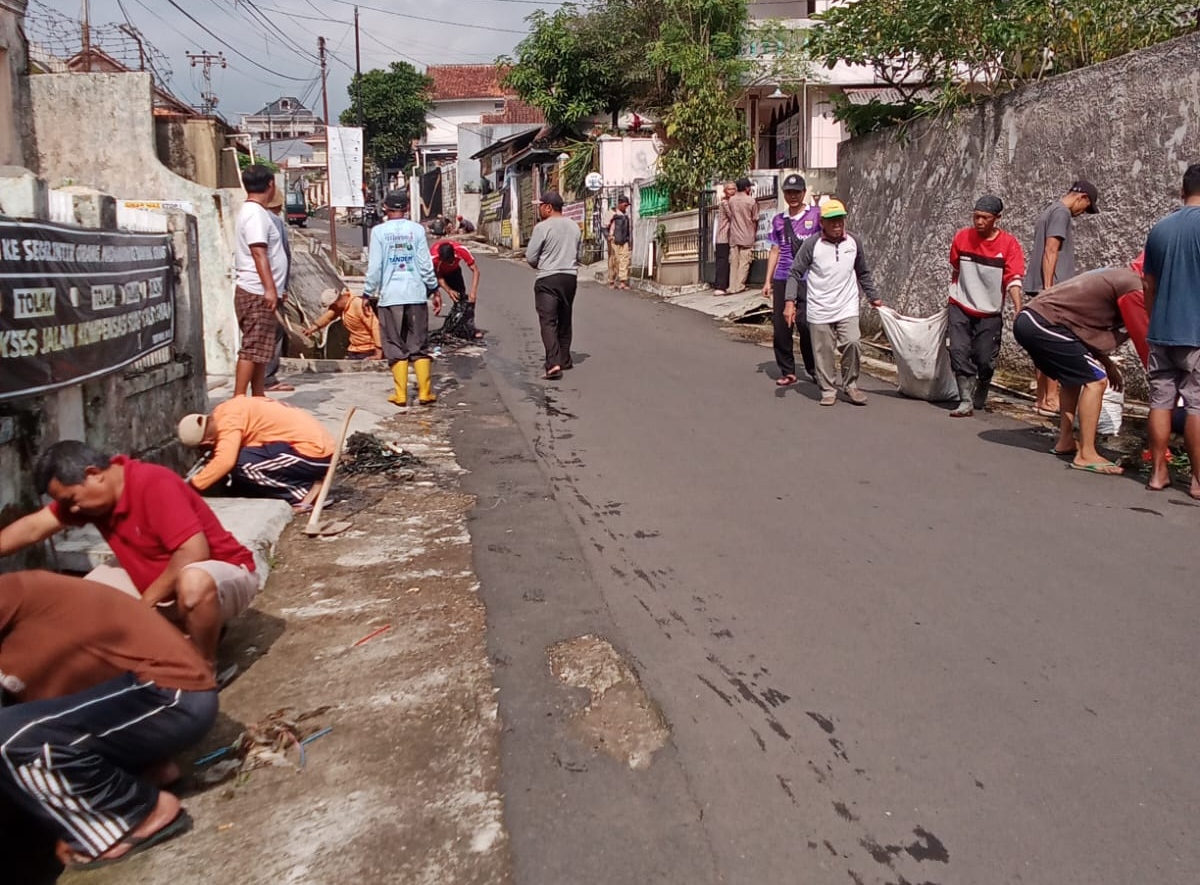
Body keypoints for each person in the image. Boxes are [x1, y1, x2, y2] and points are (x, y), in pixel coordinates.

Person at [0, 570, 217, 870]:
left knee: (6, 735)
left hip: (168, 696)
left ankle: (140, 815)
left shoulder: (9, 592)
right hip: (154, 704)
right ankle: (145, 779)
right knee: (23, 720)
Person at [0, 441, 258, 671]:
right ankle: (179, 635)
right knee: (79, 603)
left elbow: (193, 553)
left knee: (194, 582)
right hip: (162, 584)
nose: (73, 509)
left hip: (225, 574)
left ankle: (203, 671)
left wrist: (142, 606)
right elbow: (32, 528)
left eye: (72, 500)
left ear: (93, 474)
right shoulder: (87, 500)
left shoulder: (153, 482)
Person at [1013, 268, 1141, 475]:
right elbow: (1141, 338)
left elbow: (1082, 337)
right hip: (1041, 321)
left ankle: (1065, 441)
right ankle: (1086, 454)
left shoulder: (1118, 282)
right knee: (1096, 381)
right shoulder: (1134, 287)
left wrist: (1108, 364)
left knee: (1072, 378)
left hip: (1035, 321)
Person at [784, 200, 883, 406]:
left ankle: (851, 385)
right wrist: (789, 302)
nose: (837, 225)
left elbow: (862, 271)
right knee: (823, 350)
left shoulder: (854, 242)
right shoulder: (812, 244)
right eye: (832, 221)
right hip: (819, 306)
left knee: (853, 342)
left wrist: (873, 297)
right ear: (822, 223)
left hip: (846, 305)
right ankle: (828, 389)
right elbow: (794, 272)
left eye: (840, 220)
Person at [1143, 162, 1200, 499]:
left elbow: (1147, 284)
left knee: (1160, 402)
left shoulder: (1160, 229)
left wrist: (1154, 319)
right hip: (1196, 333)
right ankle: (1197, 480)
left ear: (1182, 191)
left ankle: (1158, 473)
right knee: (1196, 406)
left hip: (1162, 330)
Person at [178, 397, 336, 512]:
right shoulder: (224, 411)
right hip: (313, 448)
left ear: (207, 442)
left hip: (315, 454)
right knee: (242, 460)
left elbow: (225, 462)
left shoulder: (228, 425)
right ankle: (299, 481)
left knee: (242, 463)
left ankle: (303, 493)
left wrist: (190, 488)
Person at [946, 195, 1026, 417]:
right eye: (976, 216)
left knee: (984, 357)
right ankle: (965, 399)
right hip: (960, 304)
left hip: (989, 311)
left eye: (985, 218)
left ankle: (983, 382)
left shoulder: (1009, 245)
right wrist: (955, 292)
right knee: (958, 351)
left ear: (997, 219)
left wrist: (1019, 307)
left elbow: (1013, 279)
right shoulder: (962, 238)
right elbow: (955, 266)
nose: (979, 222)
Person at [1026, 180, 1099, 416]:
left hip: (1042, 288)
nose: (1081, 214)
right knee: (1055, 344)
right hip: (1052, 290)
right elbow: (1051, 249)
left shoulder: (1050, 209)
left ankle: (1041, 400)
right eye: (1085, 208)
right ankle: (1050, 398)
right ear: (1082, 198)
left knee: (1041, 346)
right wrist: (1050, 289)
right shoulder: (1061, 213)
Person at [364, 190, 441, 408]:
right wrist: (434, 288)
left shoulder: (378, 232)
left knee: (394, 343)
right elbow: (426, 264)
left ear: (386, 209)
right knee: (419, 343)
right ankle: (425, 392)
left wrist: (368, 292)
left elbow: (375, 267)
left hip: (391, 297)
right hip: (416, 294)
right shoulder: (417, 230)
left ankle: (401, 395)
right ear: (407, 208)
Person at [233, 164, 288, 397]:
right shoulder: (255, 215)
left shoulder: (256, 213)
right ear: (270, 185)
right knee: (252, 347)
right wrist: (269, 289)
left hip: (259, 289)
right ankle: (239, 398)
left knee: (261, 350)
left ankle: (258, 395)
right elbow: (259, 252)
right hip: (256, 290)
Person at [762, 173, 821, 386]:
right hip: (783, 277)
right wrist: (768, 280)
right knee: (781, 327)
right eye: (789, 192)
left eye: (797, 192)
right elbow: (775, 250)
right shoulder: (779, 220)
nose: (793, 196)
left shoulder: (815, 216)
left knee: (805, 324)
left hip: (807, 278)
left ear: (804, 193)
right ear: (784, 195)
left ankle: (814, 369)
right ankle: (787, 370)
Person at [525, 190, 582, 380]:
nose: (539, 209)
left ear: (548, 207)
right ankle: (565, 359)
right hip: (569, 277)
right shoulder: (575, 227)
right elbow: (577, 254)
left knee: (548, 321)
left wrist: (541, 263)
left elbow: (531, 257)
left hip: (548, 278)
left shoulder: (542, 227)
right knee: (565, 319)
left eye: (541, 206)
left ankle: (553, 363)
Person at [262, 188, 295, 393]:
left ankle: (261, 378)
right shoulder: (274, 222)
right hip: (272, 286)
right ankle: (267, 378)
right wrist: (281, 287)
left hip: (265, 286)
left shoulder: (257, 218)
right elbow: (284, 253)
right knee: (273, 334)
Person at [302, 287, 383, 360]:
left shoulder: (358, 305)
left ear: (337, 302)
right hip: (354, 349)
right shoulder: (341, 308)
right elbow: (328, 317)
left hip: (368, 350)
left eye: (331, 306)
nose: (331, 309)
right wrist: (311, 329)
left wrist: (378, 352)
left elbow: (375, 326)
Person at [431, 239, 484, 341]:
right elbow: (437, 276)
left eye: (451, 261)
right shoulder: (433, 257)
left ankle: (468, 326)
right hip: (439, 274)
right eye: (447, 262)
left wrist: (473, 293)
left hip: (454, 272)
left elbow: (475, 271)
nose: (449, 263)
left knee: (462, 300)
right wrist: (448, 290)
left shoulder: (461, 250)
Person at [726, 178, 758, 295]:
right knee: (744, 262)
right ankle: (739, 285)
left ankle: (732, 286)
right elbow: (755, 219)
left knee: (734, 262)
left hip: (734, 235)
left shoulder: (731, 201)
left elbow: (731, 216)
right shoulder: (751, 201)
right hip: (747, 235)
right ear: (747, 188)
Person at [712, 181, 736, 295]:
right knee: (722, 262)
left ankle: (722, 285)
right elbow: (732, 216)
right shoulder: (725, 203)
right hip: (723, 237)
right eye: (729, 189)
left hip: (726, 237)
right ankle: (720, 286)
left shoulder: (728, 202)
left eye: (733, 189)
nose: (732, 191)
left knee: (725, 261)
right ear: (725, 191)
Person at [607, 195, 633, 290]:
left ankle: (623, 282)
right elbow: (604, 226)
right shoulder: (612, 213)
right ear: (620, 204)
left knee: (625, 261)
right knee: (614, 261)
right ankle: (611, 280)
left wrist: (629, 241)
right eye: (625, 205)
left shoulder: (626, 215)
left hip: (624, 241)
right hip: (614, 240)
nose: (626, 207)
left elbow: (628, 229)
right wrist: (608, 236)